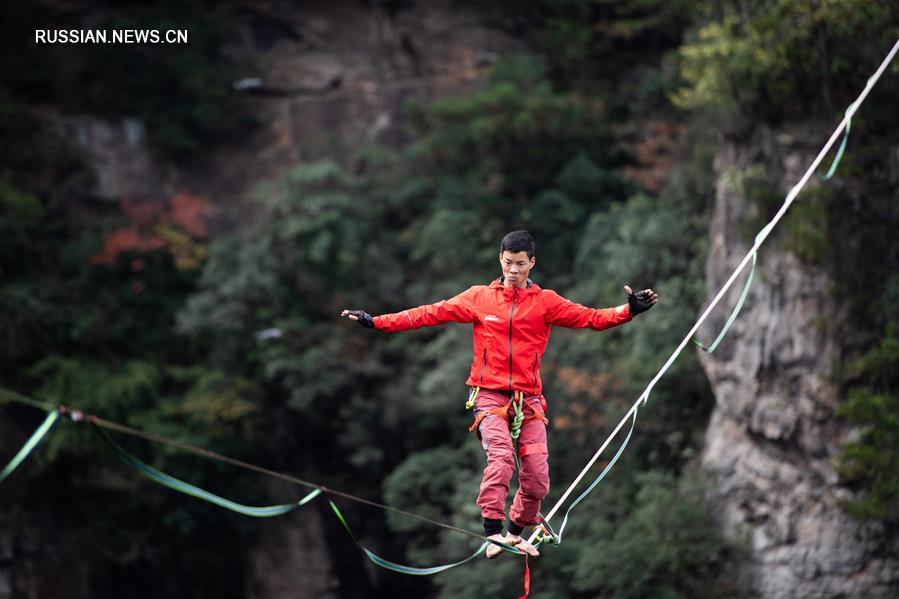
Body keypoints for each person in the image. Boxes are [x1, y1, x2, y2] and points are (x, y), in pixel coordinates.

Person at [340, 230, 658, 559]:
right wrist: (376, 322)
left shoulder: (545, 302)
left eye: (521, 264)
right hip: (489, 396)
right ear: (500, 260)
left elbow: (592, 318)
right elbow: (428, 313)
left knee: (537, 479)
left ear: (532, 263)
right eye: (508, 263)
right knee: (502, 458)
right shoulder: (480, 298)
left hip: (529, 401)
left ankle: (516, 532)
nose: (514, 271)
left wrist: (629, 310)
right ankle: (493, 532)